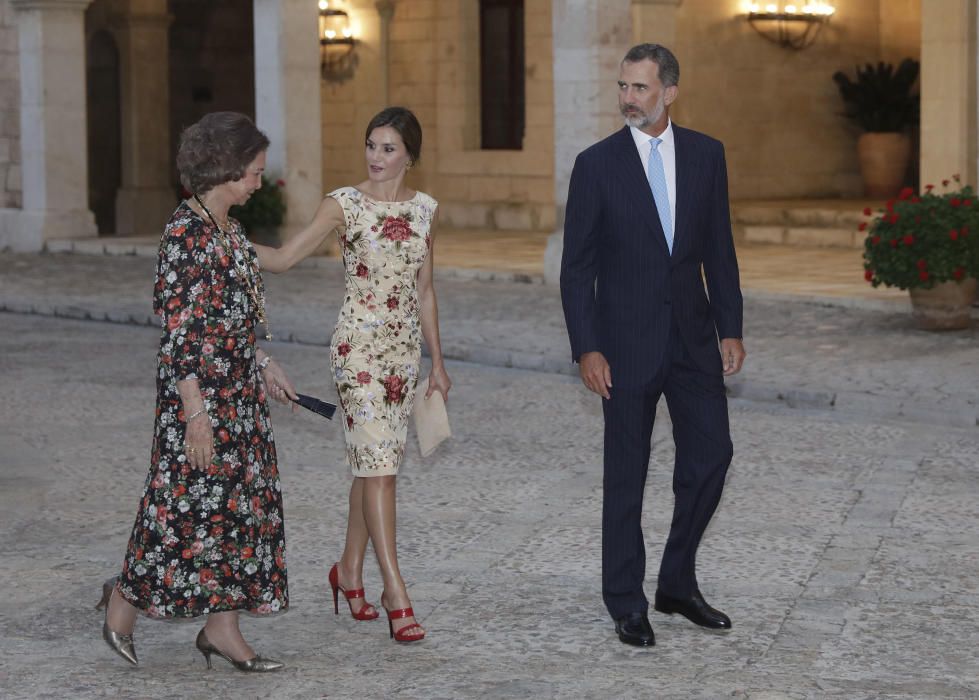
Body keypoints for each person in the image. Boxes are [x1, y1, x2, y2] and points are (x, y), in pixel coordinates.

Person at [560, 44, 746, 647]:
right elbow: (575, 269)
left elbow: (719, 249)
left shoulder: (707, 154)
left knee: (712, 457)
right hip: (623, 346)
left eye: (639, 88)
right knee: (627, 475)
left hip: (693, 340)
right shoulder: (596, 164)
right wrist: (587, 347)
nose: (628, 99)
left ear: (669, 91)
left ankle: (676, 582)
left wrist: (731, 327)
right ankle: (625, 600)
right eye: (622, 87)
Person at [99, 111, 298, 671]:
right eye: (254, 171)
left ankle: (222, 630)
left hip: (239, 394)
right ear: (227, 169)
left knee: (238, 512)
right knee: (178, 508)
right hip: (200, 399)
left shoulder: (229, 230)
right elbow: (181, 332)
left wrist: (263, 362)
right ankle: (120, 602)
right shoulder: (185, 234)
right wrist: (195, 414)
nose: (260, 181)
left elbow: (230, 319)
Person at [253, 106, 450, 643]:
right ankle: (396, 592)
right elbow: (285, 257)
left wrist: (438, 361)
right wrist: (223, 237)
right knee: (381, 469)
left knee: (373, 465)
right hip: (358, 353)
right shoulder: (344, 205)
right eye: (371, 145)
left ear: (410, 154)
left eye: (389, 148)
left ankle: (347, 571)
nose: (377, 157)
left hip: (403, 357)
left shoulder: (425, 211)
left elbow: (426, 291)